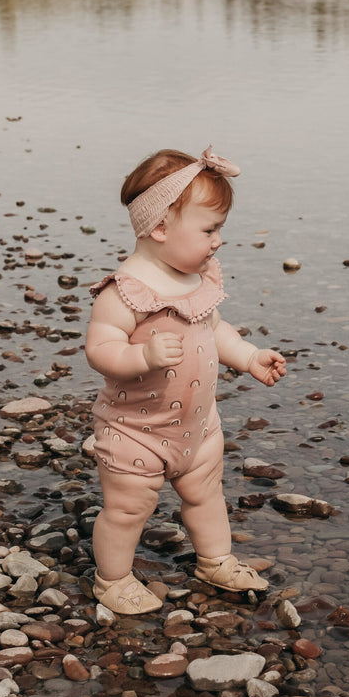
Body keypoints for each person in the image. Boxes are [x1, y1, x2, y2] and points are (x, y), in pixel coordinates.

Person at [85, 146, 287, 614]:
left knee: (206, 496)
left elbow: (214, 330)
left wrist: (248, 356)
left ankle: (215, 559)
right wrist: (142, 354)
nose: (218, 241)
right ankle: (111, 580)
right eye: (209, 229)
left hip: (198, 428)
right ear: (159, 228)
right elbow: (99, 348)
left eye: (220, 229)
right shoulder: (126, 291)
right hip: (136, 432)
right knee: (127, 511)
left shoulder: (197, 280)